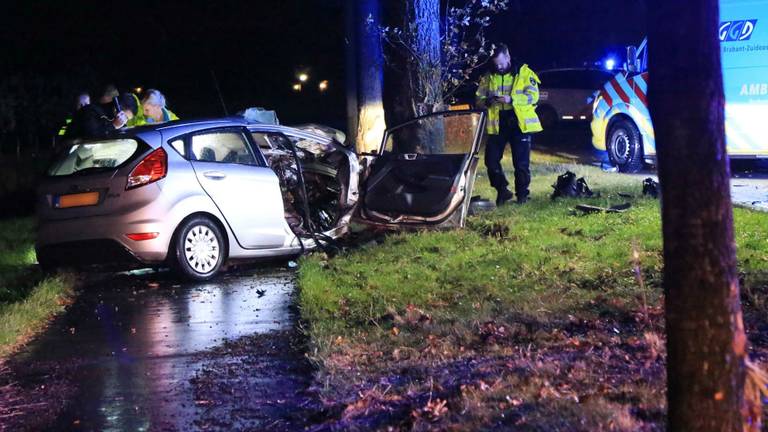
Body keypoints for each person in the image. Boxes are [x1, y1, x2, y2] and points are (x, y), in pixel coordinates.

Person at [475, 43, 543, 205]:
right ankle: (502, 190)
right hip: (498, 122)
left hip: (519, 123)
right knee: (491, 161)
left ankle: (522, 196)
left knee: (520, 163)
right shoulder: (488, 77)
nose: (498, 67)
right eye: (495, 63)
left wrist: (512, 100)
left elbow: (533, 96)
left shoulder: (525, 73)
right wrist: (488, 101)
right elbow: (478, 99)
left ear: (508, 57)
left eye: (501, 63)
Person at [64, 93, 139, 140]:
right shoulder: (91, 111)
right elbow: (91, 136)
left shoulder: (115, 120)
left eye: (127, 119)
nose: (124, 121)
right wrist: (113, 125)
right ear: (117, 108)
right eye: (125, 117)